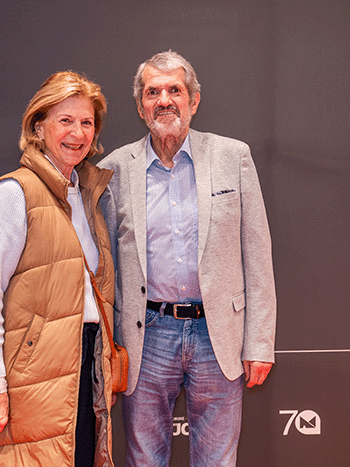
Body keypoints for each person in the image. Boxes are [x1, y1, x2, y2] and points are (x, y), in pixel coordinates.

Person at [98, 51, 276, 466]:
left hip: (218, 336)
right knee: (145, 459)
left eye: (174, 90)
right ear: (141, 106)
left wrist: (260, 342)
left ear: (193, 100)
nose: (164, 100)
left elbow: (257, 254)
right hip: (146, 336)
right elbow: (104, 271)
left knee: (217, 460)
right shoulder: (113, 171)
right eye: (152, 92)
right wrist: (106, 351)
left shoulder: (233, 157)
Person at [0, 71, 116, 467]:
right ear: (38, 127)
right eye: (65, 120)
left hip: (82, 368)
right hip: (28, 379)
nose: (77, 133)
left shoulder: (88, 195)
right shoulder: (14, 193)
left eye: (86, 122)